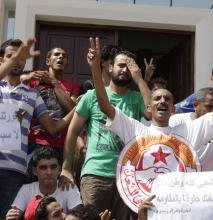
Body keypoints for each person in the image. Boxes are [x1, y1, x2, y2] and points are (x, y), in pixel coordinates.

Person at [88, 37, 213, 213]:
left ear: (174, 109)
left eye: (167, 99)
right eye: (157, 98)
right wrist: (96, 70)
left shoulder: (187, 130)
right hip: (147, 206)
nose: (161, 101)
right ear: (148, 107)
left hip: (181, 208)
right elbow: (105, 106)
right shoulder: (137, 130)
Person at [60, 39, 151, 219]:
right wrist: (67, 168)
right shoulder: (91, 96)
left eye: (130, 67)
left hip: (128, 176)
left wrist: (139, 79)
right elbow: (72, 133)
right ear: (110, 67)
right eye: (121, 65)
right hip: (95, 173)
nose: (125, 69)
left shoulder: (136, 98)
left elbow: (151, 114)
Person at [0, 38, 74, 218]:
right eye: (11, 56)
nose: (17, 61)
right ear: (1, 60)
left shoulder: (33, 94)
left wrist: (79, 108)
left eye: (20, 57)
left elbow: (54, 128)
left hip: (15, 170)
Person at [21, 46, 80, 168]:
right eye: (57, 54)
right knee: (28, 182)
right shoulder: (34, 80)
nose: (61, 57)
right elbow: (14, 85)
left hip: (60, 145)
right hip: (34, 142)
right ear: (48, 61)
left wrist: (54, 83)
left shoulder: (73, 86)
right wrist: (26, 78)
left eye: (64, 56)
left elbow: (73, 109)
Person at [6, 147, 81, 219]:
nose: (49, 172)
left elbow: (78, 216)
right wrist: (12, 216)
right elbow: (15, 214)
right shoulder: (26, 189)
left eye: (53, 167)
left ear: (59, 169)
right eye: (43, 167)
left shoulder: (69, 187)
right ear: (35, 171)